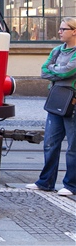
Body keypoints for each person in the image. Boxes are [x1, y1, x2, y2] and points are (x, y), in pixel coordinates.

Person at [26, 17, 76, 197]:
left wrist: (55, 71)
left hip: (72, 101)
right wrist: (58, 71)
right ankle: (45, 182)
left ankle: (71, 185)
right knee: (50, 143)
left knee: (73, 147)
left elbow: (69, 70)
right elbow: (43, 71)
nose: (60, 32)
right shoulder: (57, 50)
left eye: (63, 29)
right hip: (56, 100)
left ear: (74, 31)